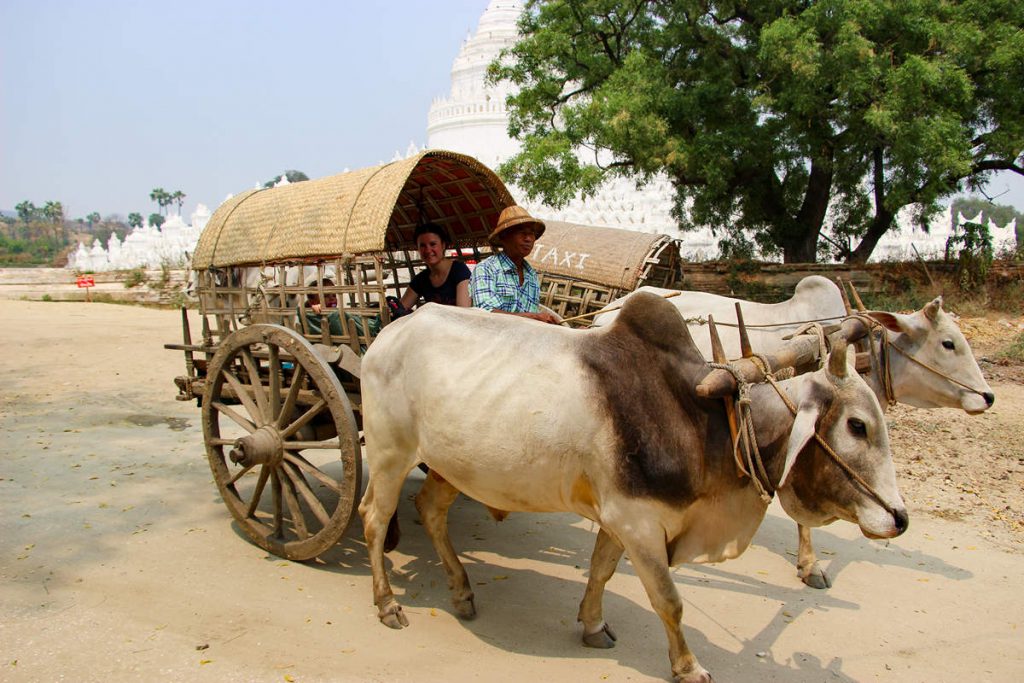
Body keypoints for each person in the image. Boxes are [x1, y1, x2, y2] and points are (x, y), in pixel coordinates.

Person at [470, 205, 560, 324]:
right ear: (504, 237)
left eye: (531, 233)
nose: (528, 239)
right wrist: (534, 317)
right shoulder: (486, 269)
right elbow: (485, 314)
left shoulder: (531, 275)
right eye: (521, 232)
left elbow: (532, 323)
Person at [396, 223, 471, 312]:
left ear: (443, 245)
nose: (428, 250)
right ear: (418, 249)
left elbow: (464, 312)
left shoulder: (459, 271)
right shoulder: (421, 279)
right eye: (422, 246)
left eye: (433, 244)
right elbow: (400, 309)